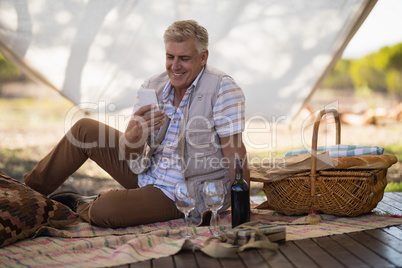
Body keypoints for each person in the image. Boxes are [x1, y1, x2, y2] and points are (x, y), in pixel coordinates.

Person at [24, 20, 249, 228]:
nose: (175, 66)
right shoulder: (154, 85)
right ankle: (24, 195)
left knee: (106, 209)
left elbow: (235, 152)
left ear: (203, 57)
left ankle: (80, 205)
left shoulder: (222, 88)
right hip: (146, 172)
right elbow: (132, 152)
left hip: (181, 193)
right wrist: (135, 134)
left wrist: (241, 209)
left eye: (184, 58)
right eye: (170, 57)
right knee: (84, 129)